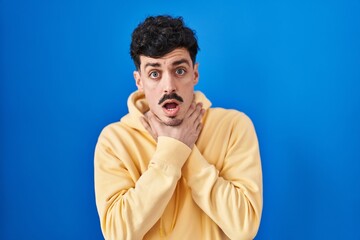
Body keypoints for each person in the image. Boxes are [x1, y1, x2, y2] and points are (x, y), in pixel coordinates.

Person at [94, 15, 263, 240]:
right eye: (155, 74)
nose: (169, 86)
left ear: (195, 73)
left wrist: (182, 148)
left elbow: (244, 227)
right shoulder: (114, 140)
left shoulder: (234, 126)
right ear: (139, 81)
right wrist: (171, 152)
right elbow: (118, 234)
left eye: (179, 71)